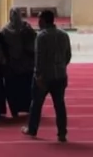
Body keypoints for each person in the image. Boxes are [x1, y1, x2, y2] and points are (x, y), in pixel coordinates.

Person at [22, 10, 71, 143]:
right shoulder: (64, 35)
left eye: (39, 20)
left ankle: (32, 129)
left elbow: (39, 59)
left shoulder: (41, 36)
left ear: (43, 21)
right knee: (59, 105)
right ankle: (62, 133)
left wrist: (38, 76)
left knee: (36, 104)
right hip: (60, 76)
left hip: (45, 76)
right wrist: (60, 67)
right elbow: (68, 55)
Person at [0, 7, 36, 117]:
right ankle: (14, 109)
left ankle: (27, 107)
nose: (15, 16)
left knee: (26, 87)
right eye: (13, 14)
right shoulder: (6, 30)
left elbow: (33, 41)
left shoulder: (26, 27)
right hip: (13, 65)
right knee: (13, 88)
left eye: (16, 14)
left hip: (25, 64)